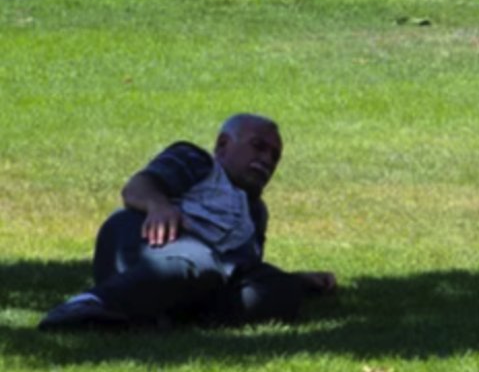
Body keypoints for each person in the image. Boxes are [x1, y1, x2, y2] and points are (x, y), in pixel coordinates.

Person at [38, 115, 337, 331]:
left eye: (274, 156)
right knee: (200, 263)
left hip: (205, 271)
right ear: (222, 145)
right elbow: (137, 187)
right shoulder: (197, 161)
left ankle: (162, 318)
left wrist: (296, 280)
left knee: (280, 291)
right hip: (145, 241)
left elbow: (243, 269)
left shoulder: (256, 211)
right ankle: (85, 304)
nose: (267, 160)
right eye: (258, 147)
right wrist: (159, 206)